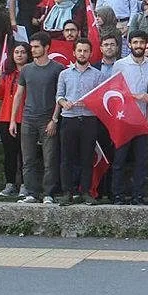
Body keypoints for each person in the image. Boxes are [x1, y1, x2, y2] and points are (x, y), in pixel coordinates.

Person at [10, 32, 65, 204]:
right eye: (31, 47)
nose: (32, 50)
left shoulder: (57, 68)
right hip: (28, 118)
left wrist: (54, 119)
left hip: (48, 119)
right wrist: (13, 119)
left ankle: (48, 193)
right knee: (28, 159)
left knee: (50, 158)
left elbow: (60, 95)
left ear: (46, 47)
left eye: (36, 47)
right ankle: (31, 193)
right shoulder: (26, 69)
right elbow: (18, 94)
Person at [56, 37, 108, 204]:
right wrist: (64, 103)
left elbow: (100, 99)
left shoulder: (98, 75)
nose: (83, 53)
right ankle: (67, 192)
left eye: (86, 51)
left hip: (88, 120)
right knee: (66, 158)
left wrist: (90, 103)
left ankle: (85, 191)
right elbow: (59, 95)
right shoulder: (64, 74)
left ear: (91, 53)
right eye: (80, 50)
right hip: (69, 119)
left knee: (87, 157)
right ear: (74, 52)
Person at [111, 31, 148, 205]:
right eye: (135, 42)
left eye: (141, 42)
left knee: (142, 161)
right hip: (124, 120)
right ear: (129, 44)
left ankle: (138, 195)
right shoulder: (120, 65)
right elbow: (113, 91)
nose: (138, 45)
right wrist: (136, 96)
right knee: (119, 160)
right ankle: (117, 195)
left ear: (146, 44)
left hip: (144, 120)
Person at [0, 41, 28, 197]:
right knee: (9, 153)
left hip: (25, 118)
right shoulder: (7, 74)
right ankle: (10, 183)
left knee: (25, 153)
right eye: (16, 52)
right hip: (6, 118)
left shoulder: (30, 72)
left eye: (22, 52)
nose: (19, 55)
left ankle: (25, 185)